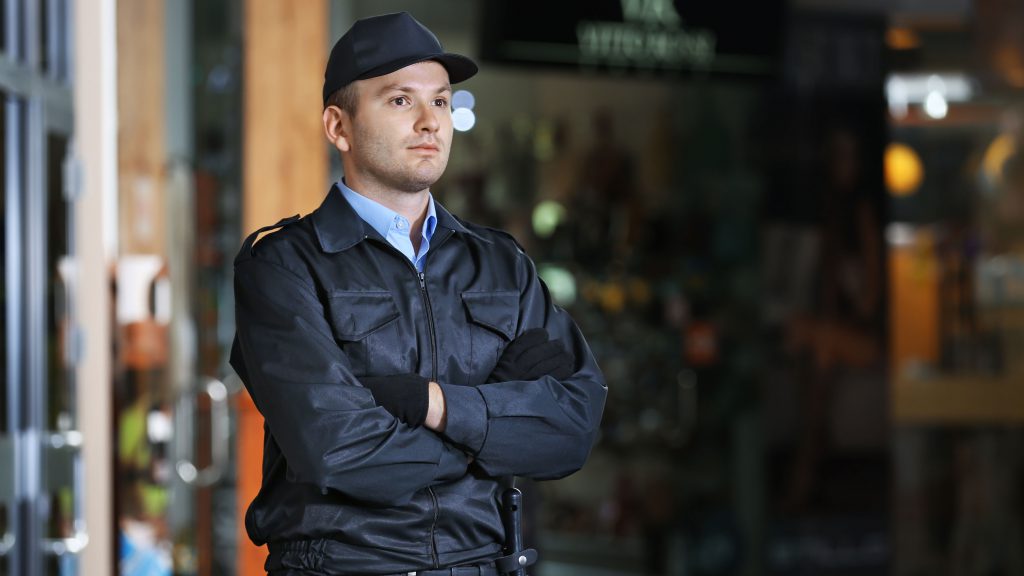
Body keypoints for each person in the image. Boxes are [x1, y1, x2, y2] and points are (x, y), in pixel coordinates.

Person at [229, 12, 607, 576]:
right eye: (401, 101)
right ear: (339, 127)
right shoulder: (284, 265)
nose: (431, 121)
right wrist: (494, 433)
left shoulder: (501, 264)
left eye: (441, 101)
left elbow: (572, 429)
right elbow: (339, 451)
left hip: (483, 565)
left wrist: (434, 404)